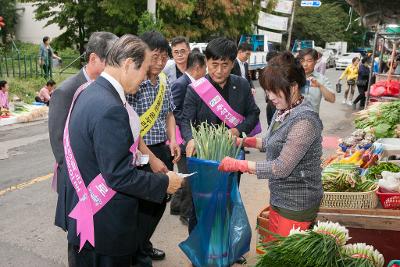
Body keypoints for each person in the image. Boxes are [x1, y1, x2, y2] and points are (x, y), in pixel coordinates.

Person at [58, 34, 183, 267]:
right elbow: (119, 175)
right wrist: (165, 183)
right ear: (127, 64)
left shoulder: (88, 92)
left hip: (87, 217)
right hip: (106, 226)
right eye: (144, 71)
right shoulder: (111, 108)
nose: (145, 77)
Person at [218, 51, 323, 241]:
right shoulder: (284, 109)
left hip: (297, 203)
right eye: (267, 90)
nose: (269, 97)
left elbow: (280, 167)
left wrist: (239, 165)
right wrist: (243, 140)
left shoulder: (305, 121)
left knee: (286, 255)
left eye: (274, 91)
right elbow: (270, 141)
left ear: (293, 87)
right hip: (279, 197)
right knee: (274, 247)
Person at [180, 37, 260, 264]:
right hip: (203, 162)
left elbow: (253, 114)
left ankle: (226, 251)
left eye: (225, 65)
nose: (219, 70)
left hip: (231, 158)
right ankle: (200, 253)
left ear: (233, 63)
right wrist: (189, 139)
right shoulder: (196, 89)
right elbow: (186, 120)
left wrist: (239, 130)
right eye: (214, 64)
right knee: (200, 208)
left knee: (227, 204)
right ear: (206, 61)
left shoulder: (241, 85)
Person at [126, 30, 181, 265]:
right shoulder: (133, 84)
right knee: (144, 204)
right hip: (141, 152)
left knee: (162, 199)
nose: (159, 62)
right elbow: (129, 127)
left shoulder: (164, 82)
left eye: (163, 57)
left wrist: (174, 140)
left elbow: (169, 113)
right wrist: (151, 158)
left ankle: (143, 243)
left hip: (162, 148)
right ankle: (137, 251)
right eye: (155, 56)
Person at [169, 52, 207, 224]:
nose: (206, 71)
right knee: (189, 178)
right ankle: (185, 214)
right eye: (205, 67)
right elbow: (174, 112)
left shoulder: (197, 83)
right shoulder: (180, 84)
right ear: (198, 68)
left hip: (191, 137)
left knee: (187, 176)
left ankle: (177, 206)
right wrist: (189, 122)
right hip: (182, 139)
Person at [297, 48, 335, 113]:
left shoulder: (321, 79)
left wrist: (320, 86)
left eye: (309, 61)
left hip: (311, 119)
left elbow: (332, 99)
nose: (305, 64)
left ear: (315, 61)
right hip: (292, 119)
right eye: (302, 61)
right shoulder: (292, 77)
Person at [265, 51, 279, 126]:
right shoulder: (267, 71)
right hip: (270, 103)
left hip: (278, 103)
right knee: (270, 125)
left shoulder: (282, 73)